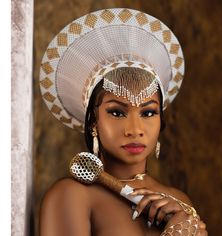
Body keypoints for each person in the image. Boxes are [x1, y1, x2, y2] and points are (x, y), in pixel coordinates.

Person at [39, 8, 208, 236]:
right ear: (93, 122)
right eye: (117, 113)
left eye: (148, 113)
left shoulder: (179, 202)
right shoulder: (71, 196)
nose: (135, 129)